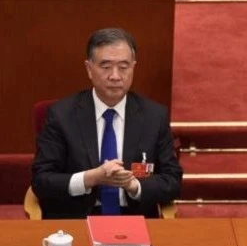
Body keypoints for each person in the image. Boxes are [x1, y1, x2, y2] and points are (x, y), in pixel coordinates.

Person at [31, 28, 182, 219]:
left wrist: (134, 185)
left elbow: (173, 181)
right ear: (89, 69)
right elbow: (41, 181)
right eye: (106, 66)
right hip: (76, 220)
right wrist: (91, 178)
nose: (115, 76)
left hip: (135, 220)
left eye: (123, 66)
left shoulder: (154, 116)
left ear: (133, 67)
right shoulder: (61, 115)